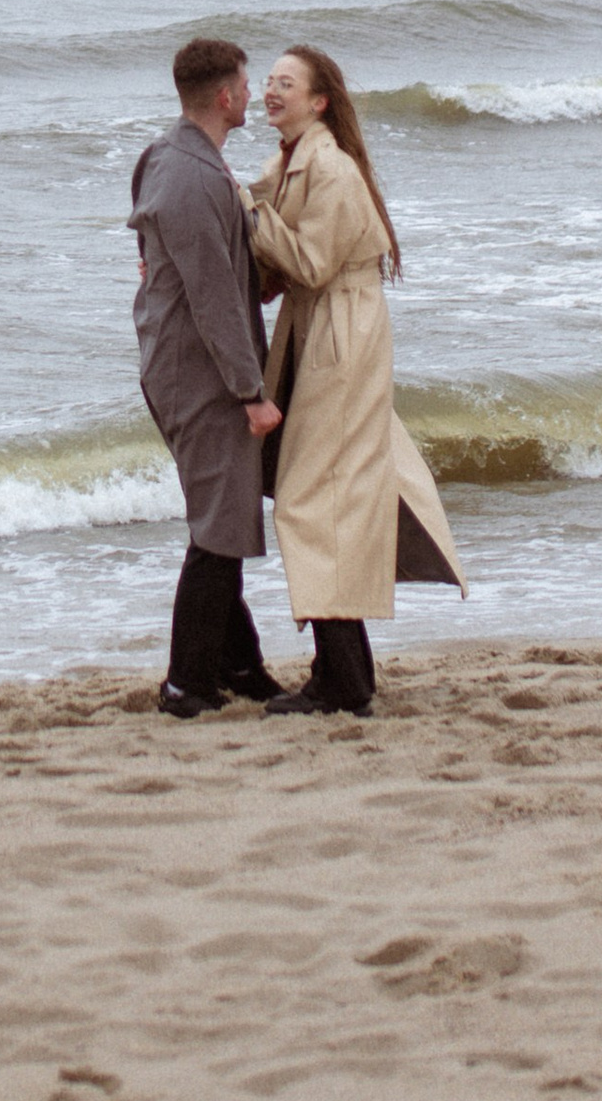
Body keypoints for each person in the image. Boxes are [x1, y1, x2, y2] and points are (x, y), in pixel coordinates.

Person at [248, 42, 465, 716]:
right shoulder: (287, 163)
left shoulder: (332, 170)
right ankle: (348, 674)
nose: (272, 91)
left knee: (317, 499)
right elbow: (275, 272)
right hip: (322, 329)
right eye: (269, 81)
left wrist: (245, 212)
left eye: (288, 83)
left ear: (319, 101)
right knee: (322, 497)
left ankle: (341, 682)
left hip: (342, 333)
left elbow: (308, 264)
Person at [130, 36, 283, 716]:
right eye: (248, 85)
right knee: (219, 531)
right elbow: (214, 298)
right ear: (225, 96)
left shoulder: (168, 156)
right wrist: (250, 394)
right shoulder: (191, 175)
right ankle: (187, 683)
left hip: (178, 362)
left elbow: (150, 247)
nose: (254, 95)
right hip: (198, 374)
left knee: (220, 522)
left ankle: (241, 668)